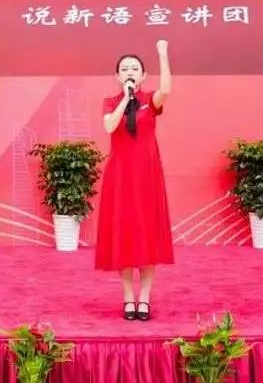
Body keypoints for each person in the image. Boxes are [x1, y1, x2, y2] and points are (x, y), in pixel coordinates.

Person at [95, 39, 174, 321]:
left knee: (147, 234)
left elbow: (166, 90)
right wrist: (125, 99)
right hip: (121, 176)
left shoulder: (150, 101)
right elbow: (109, 125)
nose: (130, 72)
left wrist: (162, 53)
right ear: (118, 76)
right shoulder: (110, 102)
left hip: (147, 175)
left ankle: (145, 298)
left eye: (135, 69)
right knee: (124, 234)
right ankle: (128, 297)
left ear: (143, 75)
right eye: (125, 69)